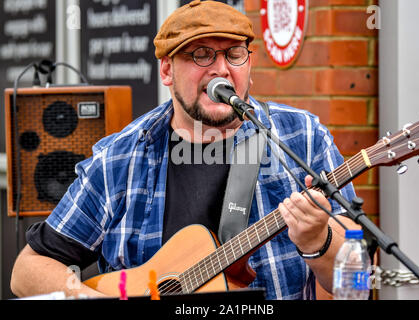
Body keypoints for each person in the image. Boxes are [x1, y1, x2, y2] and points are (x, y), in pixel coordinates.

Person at [11, 0, 360, 300]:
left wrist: (319, 241)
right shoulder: (119, 158)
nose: (221, 69)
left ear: (249, 65)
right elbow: (27, 270)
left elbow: (355, 281)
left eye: (234, 54)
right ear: (166, 69)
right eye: (201, 54)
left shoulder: (301, 137)